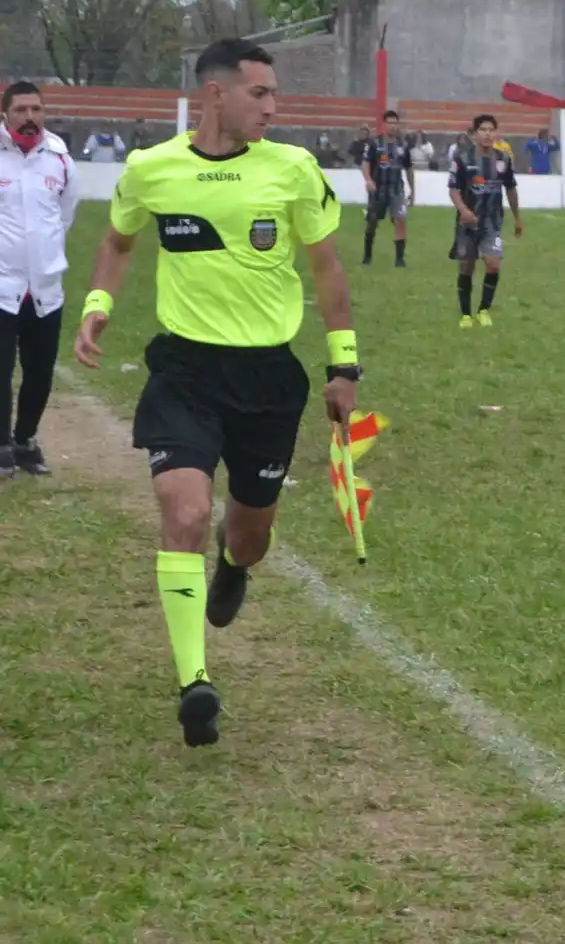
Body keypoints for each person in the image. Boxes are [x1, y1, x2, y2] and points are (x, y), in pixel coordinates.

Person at [72, 38, 360, 747]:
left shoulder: (292, 170)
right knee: (184, 512)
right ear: (215, 95)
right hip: (185, 372)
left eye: (273, 94)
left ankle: (234, 567)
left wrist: (345, 364)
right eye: (259, 94)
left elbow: (325, 270)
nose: (272, 107)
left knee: (248, 533)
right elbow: (117, 238)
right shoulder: (152, 168)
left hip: (267, 376)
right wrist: (98, 301)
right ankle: (194, 682)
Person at [0, 80, 77, 478]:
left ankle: (25, 440)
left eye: (36, 110)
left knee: (40, 371)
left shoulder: (60, 159)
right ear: (5, 115)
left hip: (46, 288)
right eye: (20, 111)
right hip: (2, 287)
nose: (29, 118)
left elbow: (65, 216)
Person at [448, 113, 522, 329]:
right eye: (483, 130)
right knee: (466, 267)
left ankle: (483, 310)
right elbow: (453, 189)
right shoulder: (463, 158)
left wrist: (518, 218)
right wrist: (463, 210)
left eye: (491, 130)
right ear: (474, 134)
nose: (488, 134)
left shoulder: (503, 159)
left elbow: (510, 189)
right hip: (467, 223)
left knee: (493, 264)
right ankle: (465, 314)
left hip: (492, 222)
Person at [361, 109, 414, 267]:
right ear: (383, 125)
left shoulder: (403, 146)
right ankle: (367, 256)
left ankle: (399, 260)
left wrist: (413, 190)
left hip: (396, 189)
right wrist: (368, 180)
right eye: (389, 123)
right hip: (378, 189)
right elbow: (365, 163)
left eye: (395, 123)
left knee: (400, 220)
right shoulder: (374, 143)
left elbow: (409, 168)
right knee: (372, 222)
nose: (392, 126)